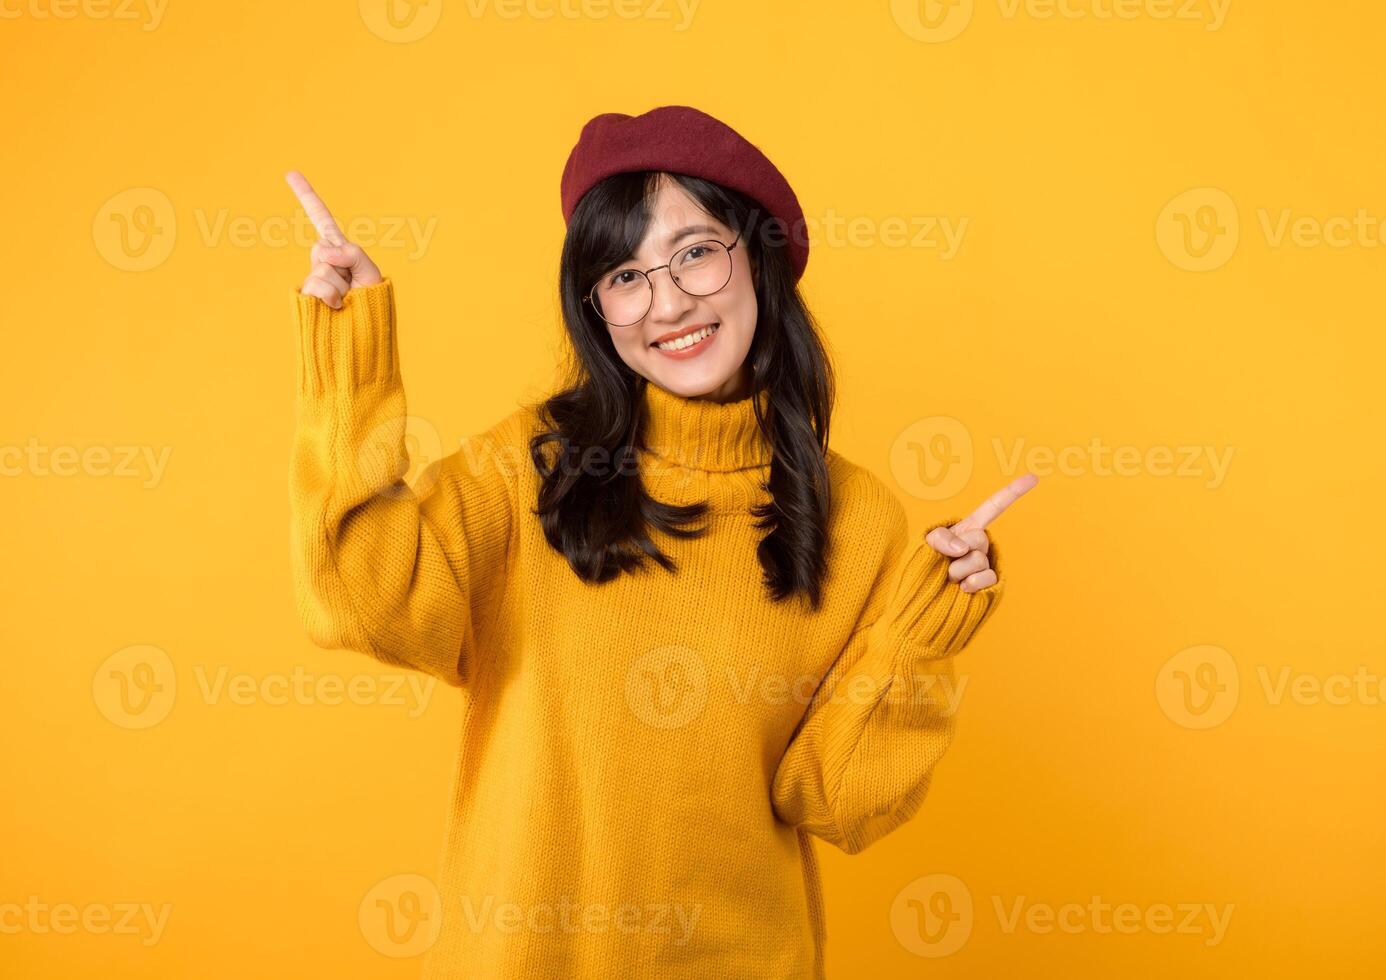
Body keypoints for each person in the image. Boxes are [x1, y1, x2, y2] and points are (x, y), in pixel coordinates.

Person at [285, 104, 1035, 979]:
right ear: (595, 307)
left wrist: (922, 632)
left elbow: (835, 800)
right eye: (625, 275)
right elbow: (356, 597)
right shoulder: (525, 469)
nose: (668, 301)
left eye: (694, 252)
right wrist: (349, 364)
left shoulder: (856, 516)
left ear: (756, 255)